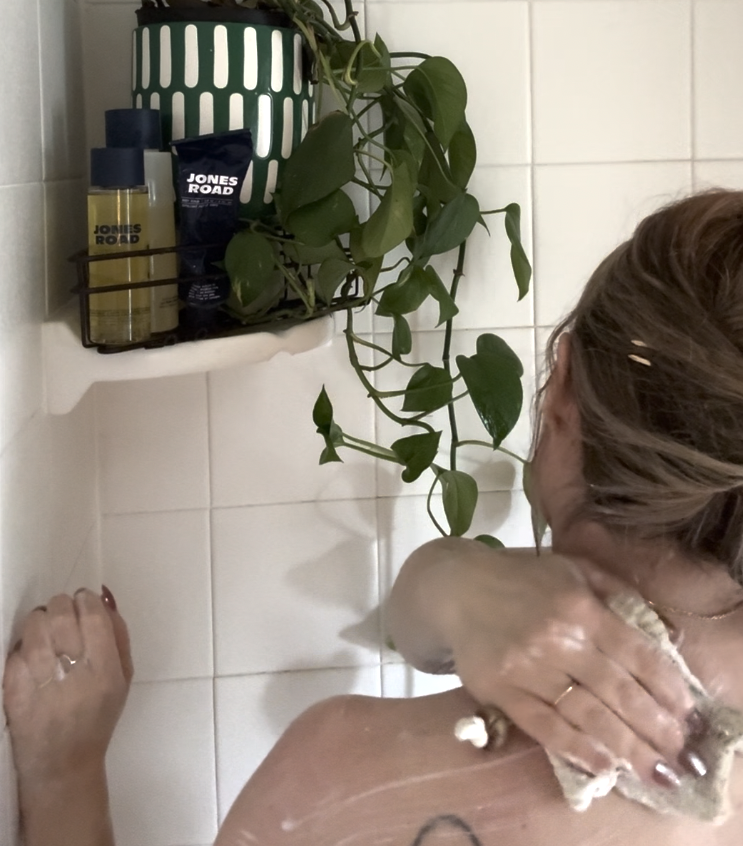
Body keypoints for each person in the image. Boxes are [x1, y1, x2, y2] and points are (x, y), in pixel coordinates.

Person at [5, 188, 743, 845]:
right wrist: (455, 580)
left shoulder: (331, 782)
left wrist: (64, 777)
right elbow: (421, 623)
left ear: (559, 391)